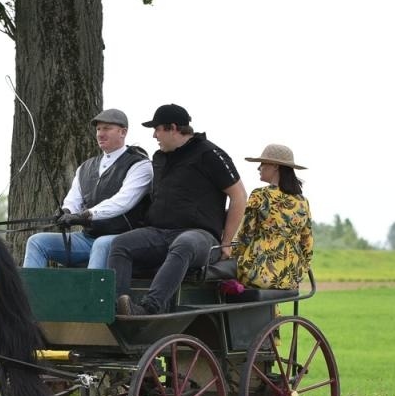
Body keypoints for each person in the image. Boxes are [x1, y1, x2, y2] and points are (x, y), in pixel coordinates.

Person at [109, 104, 246, 316]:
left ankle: (149, 308)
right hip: (160, 233)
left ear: (173, 128)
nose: (154, 135)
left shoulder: (210, 154)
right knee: (121, 243)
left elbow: (238, 196)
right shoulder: (160, 157)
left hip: (200, 237)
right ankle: (118, 306)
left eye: (157, 129)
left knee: (185, 243)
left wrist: (226, 243)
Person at [22, 108, 152, 271]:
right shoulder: (85, 167)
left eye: (107, 128)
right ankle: (29, 295)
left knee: (101, 244)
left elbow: (123, 202)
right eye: (98, 129)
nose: (100, 134)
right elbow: (74, 199)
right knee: (37, 241)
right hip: (87, 239)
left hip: (123, 240)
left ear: (123, 132)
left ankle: (90, 296)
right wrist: (66, 211)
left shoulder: (140, 165)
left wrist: (85, 215)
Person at [229, 144, 314, 291]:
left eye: (262, 164)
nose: (258, 168)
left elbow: (245, 235)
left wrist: (229, 255)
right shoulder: (302, 201)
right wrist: (300, 271)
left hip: (259, 273)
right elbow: (307, 243)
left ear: (275, 166)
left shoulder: (261, 195)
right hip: (291, 276)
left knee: (223, 276)